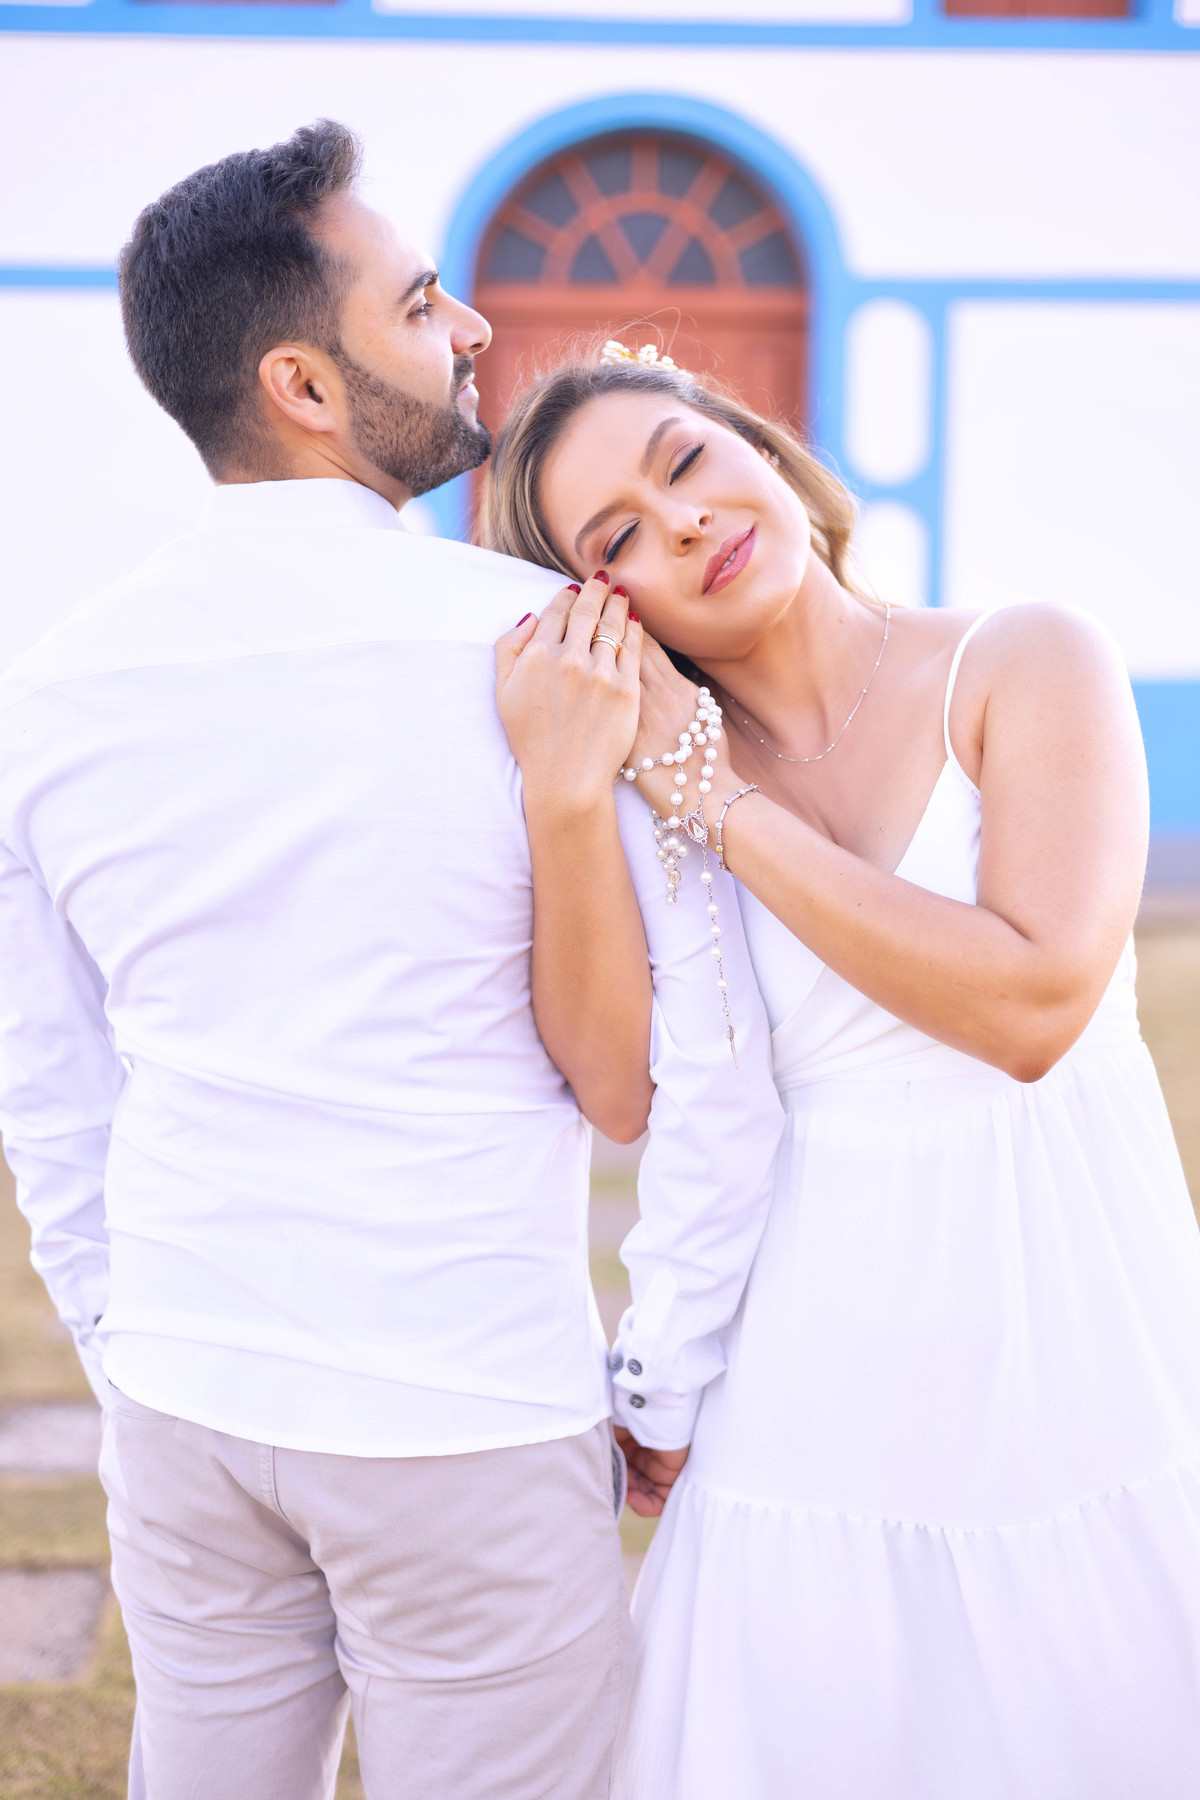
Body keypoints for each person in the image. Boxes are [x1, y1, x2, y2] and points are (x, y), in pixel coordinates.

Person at [0, 126, 785, 1799]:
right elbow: (704, 1063)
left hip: (188, 1403)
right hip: (466, 1413)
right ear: (300, 383)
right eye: (421, 303)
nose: (473, 327)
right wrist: (659, 1378)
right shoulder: (552, 651)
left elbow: (47, 1086)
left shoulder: (54, 690)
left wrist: (129, 1340)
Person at [484, 346, 1200, 1798]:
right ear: (608, 609)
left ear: (763, 450)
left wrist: (719, 801)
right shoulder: (643, 792)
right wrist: (570, 794)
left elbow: (1030, 1006)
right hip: (812, 1383)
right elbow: (617, 1090)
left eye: (686, 462)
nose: (684, 520)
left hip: (1070, 1338)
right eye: (620, 538)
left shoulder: (1024, 661)